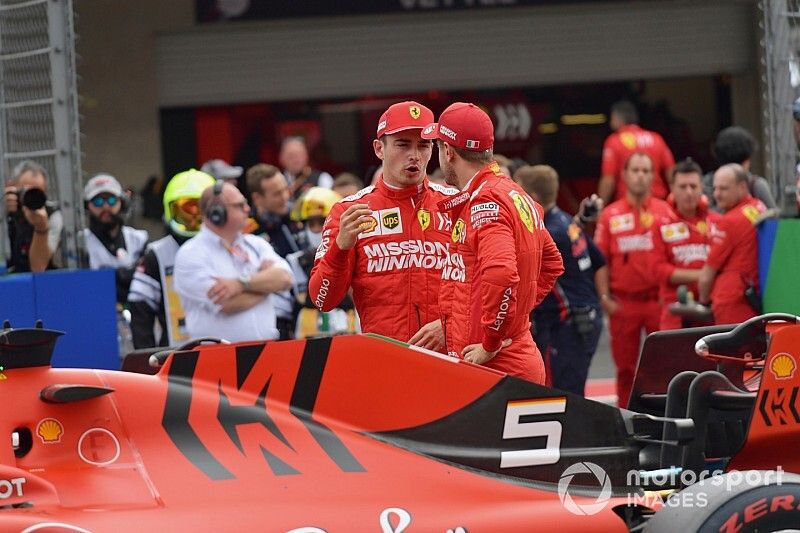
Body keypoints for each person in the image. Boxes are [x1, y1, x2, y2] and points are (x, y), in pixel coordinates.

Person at [421, 102, 564, 383]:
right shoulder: (513, 193)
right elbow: (552, 263)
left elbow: (502, 274)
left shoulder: (485, 201)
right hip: (511, 361)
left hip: (496, 369)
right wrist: (512, 319)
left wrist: (492, 338)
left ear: (448, 152)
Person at [308, 101, 456, 350]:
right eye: (402, 144)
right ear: (379, 149)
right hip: (384, 361)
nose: (415, 155)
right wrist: (340, 247)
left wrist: (449, 325)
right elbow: (322, 299)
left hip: (451, 359)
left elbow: (485, 285)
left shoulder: (455, 204)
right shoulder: (348, 211)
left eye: (423, 145)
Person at [516, 164, 604, 395]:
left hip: (569, 323)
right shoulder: (569, 222)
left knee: (561, 395)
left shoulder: (548, 233)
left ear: (532, 198)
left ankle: (574, 432)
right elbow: (599, 259)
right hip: (584, 317)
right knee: (569, 390)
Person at [594, 152, 672, 406]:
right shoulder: (610, 215)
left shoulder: (666, 211)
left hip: (658, 302)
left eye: (646, 171)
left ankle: (664, 413)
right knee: (625, 368)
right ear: (625, 175)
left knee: (663, 364)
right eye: (635, 170)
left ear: (653, 177)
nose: (640, 176)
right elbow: (600, 260)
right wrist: (604, 297)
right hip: (623, 302)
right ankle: (625, 417)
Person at [173, 181, 293, 342]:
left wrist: (241, 283)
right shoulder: (191, 253)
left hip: (266, 351)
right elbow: (227, 304)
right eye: (239, 205)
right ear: (216, 213)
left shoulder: (255, 244)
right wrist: (267, 287)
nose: (247, 209)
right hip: (217, 357)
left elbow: (285, 279)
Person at [127, 169, 216, 348]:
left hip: (225, 348)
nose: (193, 219)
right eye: (186, 210)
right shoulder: (156, 255)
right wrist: (148, 363)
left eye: (200, 210)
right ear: (170, 210)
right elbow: (140, 315)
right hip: (177, 355)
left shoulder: (228, 247)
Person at [651, 158, 721, 330]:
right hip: (675, 312)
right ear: (672, 188)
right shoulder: (660, 224)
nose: (689, 192)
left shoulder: (718, 222)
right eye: (682, 187)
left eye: (693, 186)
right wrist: (703, 275)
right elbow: (658, 270)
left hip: (712, 309)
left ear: (702, 188)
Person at [698, 163, 767, 325]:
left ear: (742, 187)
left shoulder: (729, 221)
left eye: (724, 189)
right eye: (715, 188)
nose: (717, 194)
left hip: (731, 303)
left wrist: (703, 301)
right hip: (752, 297)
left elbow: (707, 275)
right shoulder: (759, 207)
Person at [286, 187, 358, 338]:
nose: (317, 229)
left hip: (348, 327)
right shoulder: (295, 260)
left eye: (321, 222)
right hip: (309, 333)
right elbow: (299, 298)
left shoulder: (353, 253)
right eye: (311, 224)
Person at [245, 163, 306, 338]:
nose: (285, 196)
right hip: (272, 320)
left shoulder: (300, 218)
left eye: (285, 189)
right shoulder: (248, 234)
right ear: (257, 198)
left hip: (306, 312)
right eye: (277, 194)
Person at [82, 173, 149, 303]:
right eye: (98, 201)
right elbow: (89, 286)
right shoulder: (80, 243)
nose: (105, 207)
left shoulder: (139, 239)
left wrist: (109, 276)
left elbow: (147, 280)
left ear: (122, 203)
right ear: (87, 206)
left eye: (111, 200)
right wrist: (127, 273)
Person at [598, 100, 675, 204]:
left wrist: (600, 205)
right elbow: (672, 174)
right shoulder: (656, 138)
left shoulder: (614, 141)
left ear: (616, 118)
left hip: (627, 206)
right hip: (658, 203)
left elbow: (608, 179)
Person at [4, 160, 63, 273]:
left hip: (41, 280)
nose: (31, 197)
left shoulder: (52, 215)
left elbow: (38, 267)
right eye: (25, 191)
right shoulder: (4, 206)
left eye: (37, 192)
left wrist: (41, 228)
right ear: (11, 187)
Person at [702, 126, 777, 211]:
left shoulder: (705, 184)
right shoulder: (757, 185)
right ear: (747, 160)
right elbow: (774, 220)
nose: (718, 193)